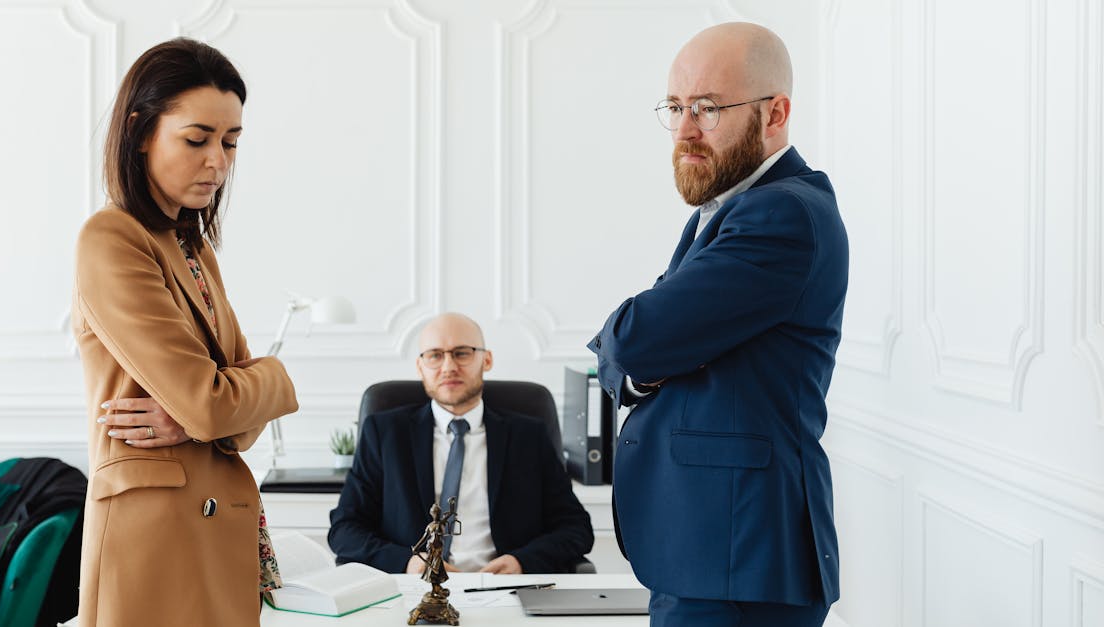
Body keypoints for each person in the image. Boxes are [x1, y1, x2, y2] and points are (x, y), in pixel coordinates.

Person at [587, 22, 847, 627]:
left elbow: (632, 338)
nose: (685, 130)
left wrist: (642, 358)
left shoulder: (781, 213)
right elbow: (648, 340)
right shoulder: (728, 207)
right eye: (676, 107)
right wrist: (649, 354)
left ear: (775, 113)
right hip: (714, 550)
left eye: (707, 108)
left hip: (737, 555)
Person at [73, 38, 299, 627]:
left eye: (230, 143)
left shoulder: (193, 246)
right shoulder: (112, 238)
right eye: (197, 140)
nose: (218, 162)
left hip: (207, 523)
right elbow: (211, 404)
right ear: (141, 130)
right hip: (156, 537)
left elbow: (225, 418)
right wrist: (262, 384)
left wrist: (220, 407)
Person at [329, 313, 593, 574]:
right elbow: (345, 530)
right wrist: (409, 563)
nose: (448, 367)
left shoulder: (529, 435)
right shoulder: (385, 433)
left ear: (486, 360)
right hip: (414, 591)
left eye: (462, 353)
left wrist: (522, 562)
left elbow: (575, 528)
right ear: (420, 367)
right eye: (435, 355)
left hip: (505, 589)